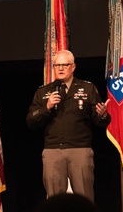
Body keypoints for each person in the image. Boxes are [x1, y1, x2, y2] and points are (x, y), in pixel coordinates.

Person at [26, 49, 110, 201]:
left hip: (80, 150)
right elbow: (31, 121)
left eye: (65, 65)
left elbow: (99, 121)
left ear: (73, 67)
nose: (61, 68)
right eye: (57, 65)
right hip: (53, 151)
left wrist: (103, 114)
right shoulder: (43, 92)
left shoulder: (87, 89)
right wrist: (47, 106)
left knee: (85, 199)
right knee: (54, 201)